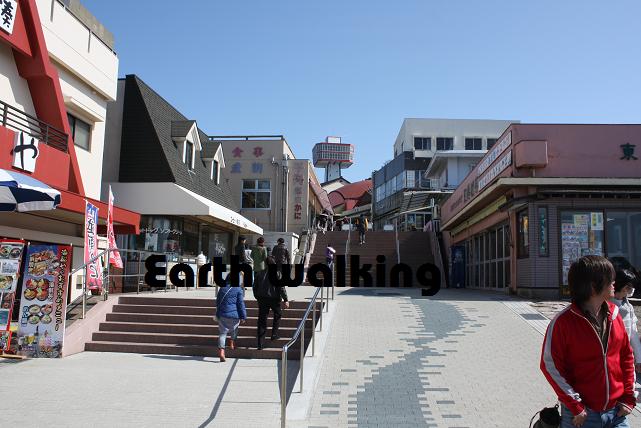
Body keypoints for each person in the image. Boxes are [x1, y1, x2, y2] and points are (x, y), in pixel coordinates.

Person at [540, 255, 636, 428]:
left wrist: (629, 398)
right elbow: (550, 366)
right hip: (582, 415)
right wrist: (575, 405)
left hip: (616, 412)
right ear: (593, 286)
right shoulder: (563, 322)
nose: (614, 282)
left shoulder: (615, 315)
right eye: (609, 278)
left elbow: (626, 357)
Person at [254, 255, 289, 350]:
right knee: (278, 314)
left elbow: (255, 287)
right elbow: (281, 287)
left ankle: (260, 343)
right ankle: (274, 334)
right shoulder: (277, 273)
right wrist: (285, 299)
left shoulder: (260, 273)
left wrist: (257, 297)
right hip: (274, 299)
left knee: (262, 320)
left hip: (262, 299)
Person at [611, 268, 641, 372]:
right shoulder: (606, 305)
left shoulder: (629, 307)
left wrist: (639, 359)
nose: (632, 289)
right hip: (611, 355)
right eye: (630, 286)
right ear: (624, 286)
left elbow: (633, 334)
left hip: (625, 354)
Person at [215, 277, 247, 362]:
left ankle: (222, 351)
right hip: (234, 315)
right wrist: (243, 316)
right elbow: (240, 304)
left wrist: (218, 313)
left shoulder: (222, 288)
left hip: (223, 314)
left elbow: (217, 302)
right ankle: (232, 342)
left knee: (222, 333)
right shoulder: (238, 289)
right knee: (235, 328)